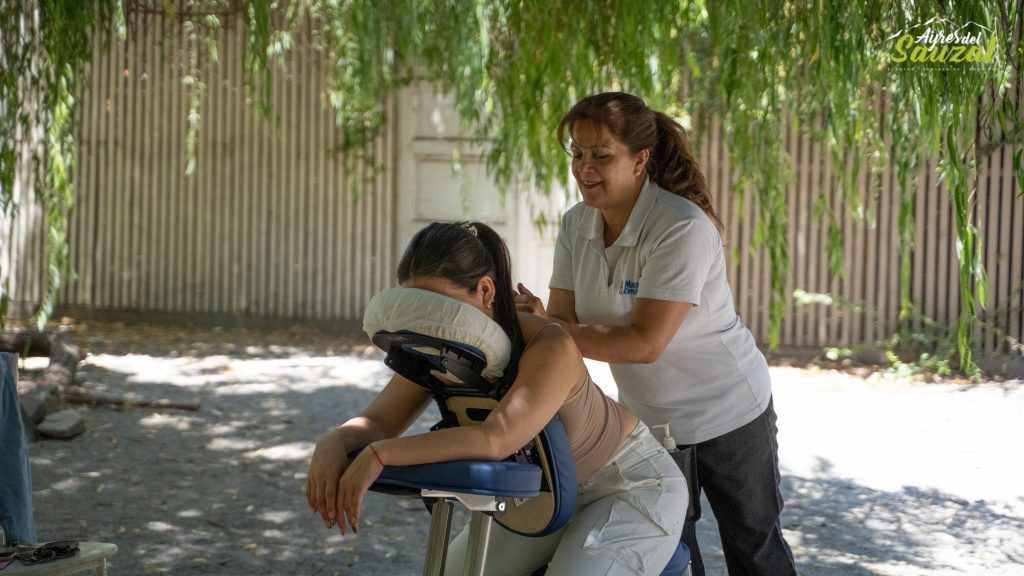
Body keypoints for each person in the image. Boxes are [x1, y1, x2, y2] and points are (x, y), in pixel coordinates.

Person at [515, 92, 798, 576]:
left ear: (641, 159)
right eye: (577, 153)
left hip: (729, 411)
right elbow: (563, 326)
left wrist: (548, 329)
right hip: (652, 423)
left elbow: (644, 343)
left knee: (754, 548)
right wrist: (543, 327)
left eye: (602, 155)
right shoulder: (575, 224)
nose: (585, 167)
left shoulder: (681, 227)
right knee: (673, 555)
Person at [306, 221, 687, 576]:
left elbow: (495, 439)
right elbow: (379, 422)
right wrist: (335, 440)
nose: (427, 321)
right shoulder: (440, 344)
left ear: (486, 291)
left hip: (628, 484)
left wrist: (381, 453)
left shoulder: (548, 345)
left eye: (438, 306)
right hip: (546, 493)